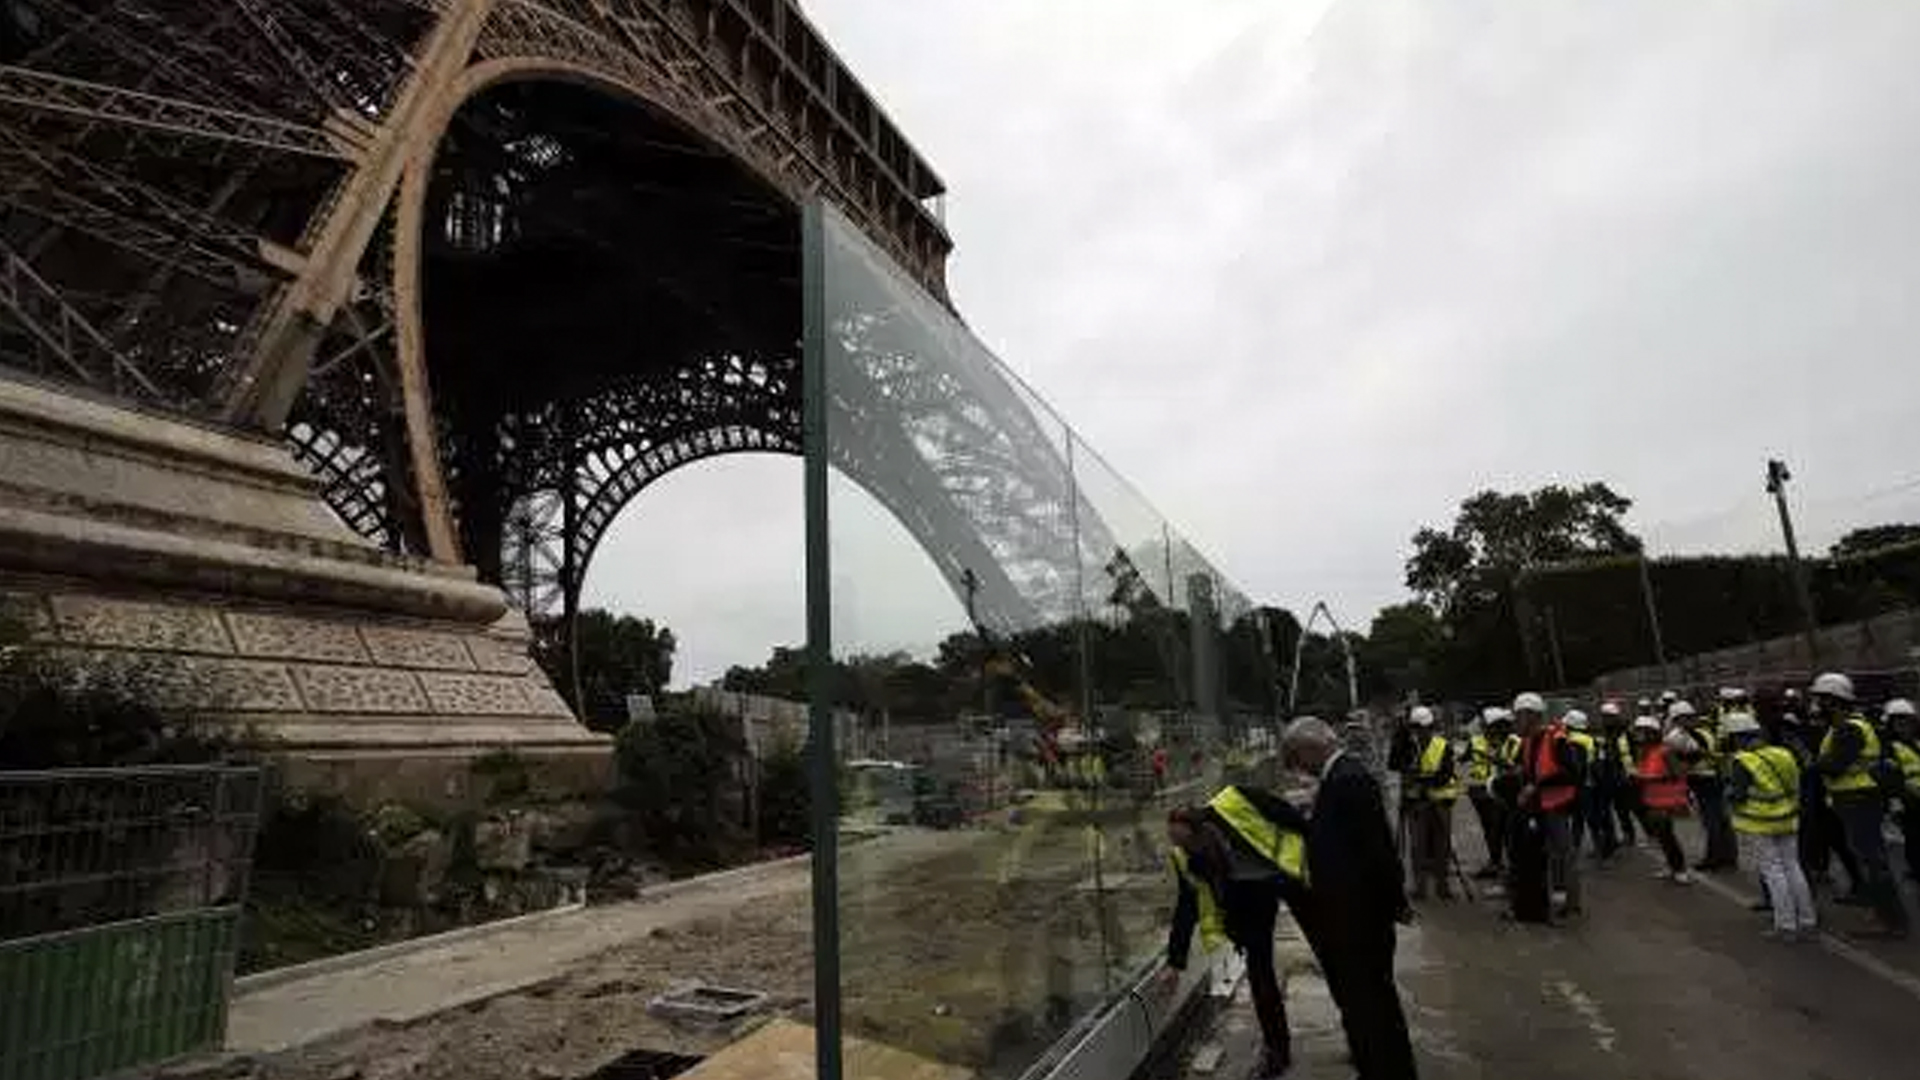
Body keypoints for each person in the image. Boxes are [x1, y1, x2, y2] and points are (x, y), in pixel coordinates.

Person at [1279, 717, 1419, 1080]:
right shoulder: (1338, 779)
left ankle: (1388, 1070)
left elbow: (1378, 850)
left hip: (1359, 918)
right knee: (1364, 1005)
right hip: (1350, 915)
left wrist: (1394, 901)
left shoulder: (1348, 779)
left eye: (1297, 759)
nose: (1299, 769)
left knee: (1371, 1005)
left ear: (1311, 748)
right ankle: (1379, 1066)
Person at [1162, 784, 1313, 1079]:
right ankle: (1277, 1051)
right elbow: (1187, 906)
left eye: (1186, 842)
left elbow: (1290, 816)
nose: (1182, 849)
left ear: (1200, 828)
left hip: (1294, 878)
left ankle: (1359, 1032)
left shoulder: (1234, 802)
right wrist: (1175, 961)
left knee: (1330, 952)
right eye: (1177, 843)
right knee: (1260, 975)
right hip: (1250, 903)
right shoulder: (1188, 857)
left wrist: (1318, 855)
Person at [1811, 672, 1909, 937]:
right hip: (1855, 799)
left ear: (1833, 701)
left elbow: (1833, 766)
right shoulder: (1845, 726)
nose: (1816, 705)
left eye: (1820, 700)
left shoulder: (1849, 729)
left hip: (1859, 800)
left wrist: (1811, 762)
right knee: (1869, 858)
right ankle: (1885, 914)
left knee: (1872, 861)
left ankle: (1891, 921)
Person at [1725, 709, 1817, 939]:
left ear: (1737, 737)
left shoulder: (1742, 761)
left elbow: (1738, 795)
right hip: (1788, 819)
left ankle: (1786, 925)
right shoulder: (1783, 753)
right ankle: (1807, 920)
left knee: (1773, 872)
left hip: (1760, 824)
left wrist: (1729, 795)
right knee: (1793, 868)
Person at [1515, 692, 1582, 919]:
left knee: (1564, 853)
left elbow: (1572, 773)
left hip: (1558, 804)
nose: (1518, 720)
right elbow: (1529, 772)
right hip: (1540, 806)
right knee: (1552, 854)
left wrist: (1537, 785)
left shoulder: (1556, 738)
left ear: (1533, 716)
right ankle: (1558, 895)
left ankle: (1572, 903)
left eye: (1521, 715)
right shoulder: (1527, 742)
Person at [1402, 706, 1460, 900]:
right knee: (1417, 847)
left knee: (1441, 847)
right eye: (1415, 728)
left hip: (1440, 802)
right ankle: (1420, 888)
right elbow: (1402, 771)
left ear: (1430, 727)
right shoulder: (1408, 746)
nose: (1418, 732)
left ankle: (1442, 887)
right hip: (1417, 804)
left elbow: (1444, 775)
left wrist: (1421, 779)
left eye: (1421, 728)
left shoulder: (1443, 746)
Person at [1675, 700, 1738, 872]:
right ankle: (1728, 857)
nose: (1679, 724)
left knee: (1712, 821)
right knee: (1721, 820)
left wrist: (1681, 765)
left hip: (1705, 781)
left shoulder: (1693, 736)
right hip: (1711, 779)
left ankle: (1715, 858)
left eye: (1679, 720)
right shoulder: (1703, 731)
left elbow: (1691, 760)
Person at [1633, 714, 1693, 882]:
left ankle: (1680, 869)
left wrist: (1652, 778)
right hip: (1651, 799)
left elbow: (1678, 774)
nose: (1639, 735)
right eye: (1638, 732)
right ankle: (1671, 866)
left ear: (1652, 733)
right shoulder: (1644, 752)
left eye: (1642, 732)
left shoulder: (1665, 751)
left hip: (1667, 800)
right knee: (1660, 835)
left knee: (1667, 835)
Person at [1465, 709, 1508, 879]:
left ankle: (1501, 864)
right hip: (1479, 792)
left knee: (1499, 829)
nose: (1485, 728)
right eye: (1484, 725)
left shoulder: (1508, 742)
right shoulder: (1475, 741)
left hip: (1499, 793)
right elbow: (1463, 761)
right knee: (1489, 829)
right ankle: (1495, 862)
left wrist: (1493, 758)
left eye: (1487, 725)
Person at [1884, 699, 1920, 886]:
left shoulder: (1917, 742)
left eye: (1907, 722)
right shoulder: (1890, 748)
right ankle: (1915, 869)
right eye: (1899, 723)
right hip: (1909, 800)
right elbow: (1891, 778)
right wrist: (1896, 800)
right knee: (1913, 837)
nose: (1904, 726)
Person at [1595, 701, 1635, 856]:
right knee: (1614, 809)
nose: (1606, 719)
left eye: (1609, 717)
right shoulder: (1603, 733)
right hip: (1608, 775)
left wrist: (1633, 771)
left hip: (1624, 774)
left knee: (1624, 808)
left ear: (1615, 717)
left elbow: (1634, 752)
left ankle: (1630, 833)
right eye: (1604, 717)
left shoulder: (1625, 732)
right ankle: (1616, 837)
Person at [1562, 709, 1599, 857]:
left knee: (1579, 818)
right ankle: (1599, 847)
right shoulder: (1589, 739)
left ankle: (1575, 847)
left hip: (1579, 785)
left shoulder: (1571, 740)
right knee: (1590, 818)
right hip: (1590, 784)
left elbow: (1576, 766)